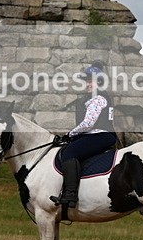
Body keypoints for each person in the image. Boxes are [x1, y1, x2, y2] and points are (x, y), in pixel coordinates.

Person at [50, 62, 117, 208]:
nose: (87, 84)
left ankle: (70, 194)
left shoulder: (98, 98)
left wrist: (70, 134)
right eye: (86, 81)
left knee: (69, 153)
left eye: (90, 81)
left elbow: (88, 123)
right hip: (97, 134)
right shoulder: (97, 96)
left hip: (99, 135)